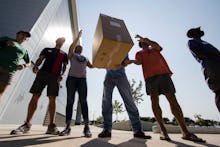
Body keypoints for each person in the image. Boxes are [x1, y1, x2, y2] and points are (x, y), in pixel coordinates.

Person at [130, 34, 206, 142]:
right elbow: (138, 62)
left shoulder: (155, 48)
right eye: (143, 42)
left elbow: (158, 46)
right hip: (150, 78)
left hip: (164, 75)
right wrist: (131, 61)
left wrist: (146, 39)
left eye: (146, 41)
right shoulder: (139, 53)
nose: (145, 42)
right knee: (154, 100)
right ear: (141, 44)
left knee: (172, 99)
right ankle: (163, 131)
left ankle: (185, 132)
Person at [10, 37, 68, 135]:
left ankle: (51, 126)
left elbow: (65, 66)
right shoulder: (47, 49)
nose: (61, 42)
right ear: (56, 41)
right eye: (60, 40)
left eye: (63, 41)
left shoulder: (64, 54)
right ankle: (27, 124)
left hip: (54, 76)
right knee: (35, 95)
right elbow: (40, 59)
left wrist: (61, 75)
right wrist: (36, 66)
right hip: (42, 73)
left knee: (52, 98)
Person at [98, 56, 151, 139]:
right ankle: (107, 130)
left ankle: (137, 131)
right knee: (106, 102)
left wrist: (122, 64)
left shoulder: (123, 45)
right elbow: (101, 60)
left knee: (129, 101)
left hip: (121, 76)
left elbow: (126, 61)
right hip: (108, 76)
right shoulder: (107, 44)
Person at [59, 30, 93, 137]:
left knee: (83, 101)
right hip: (72, 79)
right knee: (70, 101)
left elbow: (92, 66)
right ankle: (67, 127)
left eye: (80, 47)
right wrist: (77, 38)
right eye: (77, 47)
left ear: (82, 50)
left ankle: (86, 127)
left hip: (82, 80)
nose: (79, 48)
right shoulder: (72, 55)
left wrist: (102, 59)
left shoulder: (85, 58)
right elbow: (70, 48)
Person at [187, 27, 220, 112]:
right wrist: (216, 56)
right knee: (219, 91)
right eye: (197, 30)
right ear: (193, 33)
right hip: (211, 67)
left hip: (217, 64)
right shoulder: (192, 42)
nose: (200, 31)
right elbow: (199, 53)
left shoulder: (205, 42)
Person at [0, 31, 31, 98]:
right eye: (22, 34)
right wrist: (5, 42)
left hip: (9, 72)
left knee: (0, 92)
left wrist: (24, 65)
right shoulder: (7, 38)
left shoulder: (24, 50)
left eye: (26, 36)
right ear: (17, 34)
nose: (24, 37)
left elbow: (29, 63)